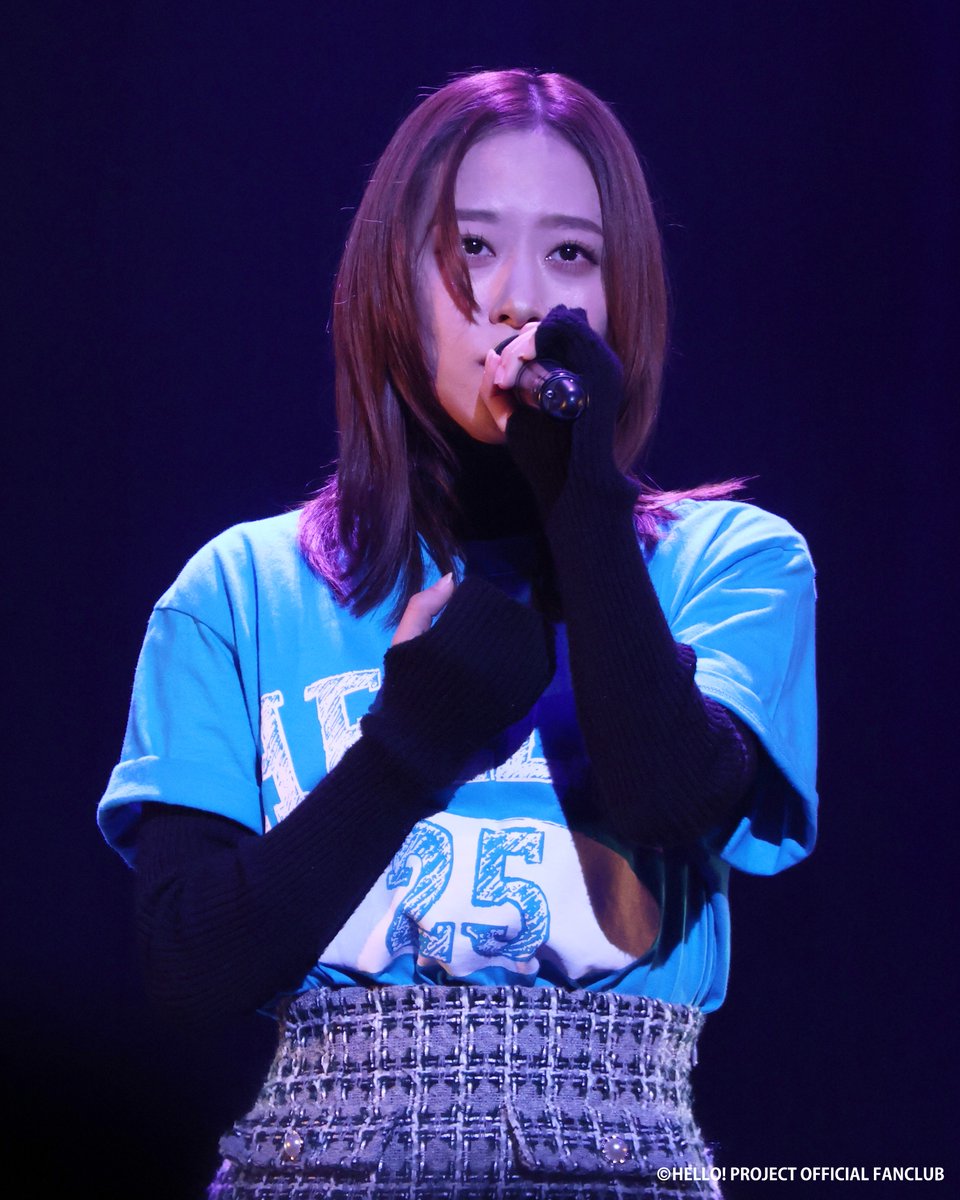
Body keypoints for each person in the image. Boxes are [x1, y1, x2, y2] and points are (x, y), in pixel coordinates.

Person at [98, 68, 817, 1199]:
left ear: (624, 297)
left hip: (621, 1167)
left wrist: (578, 496)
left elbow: (675, 801)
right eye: (472, 247)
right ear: (392, 279)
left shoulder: (730, 563)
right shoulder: (240, 590)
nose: (521, 297)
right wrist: (411, 743)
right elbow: (190, 968)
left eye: (572, 254)